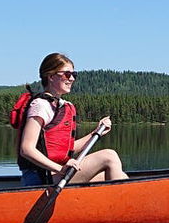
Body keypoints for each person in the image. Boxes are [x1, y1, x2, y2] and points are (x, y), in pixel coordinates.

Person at [16, 52, 128, 186]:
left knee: (117, 174)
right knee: (109, 156)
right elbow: (26, 149)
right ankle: (122, 205)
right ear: (51, 76)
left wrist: (96, 133)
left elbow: (68, 148)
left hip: (55, 174)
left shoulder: (59, 105)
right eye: (67, 74)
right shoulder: (41, 105)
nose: (72, 79)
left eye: (74, 75)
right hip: (42, 177)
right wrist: (60, 169)